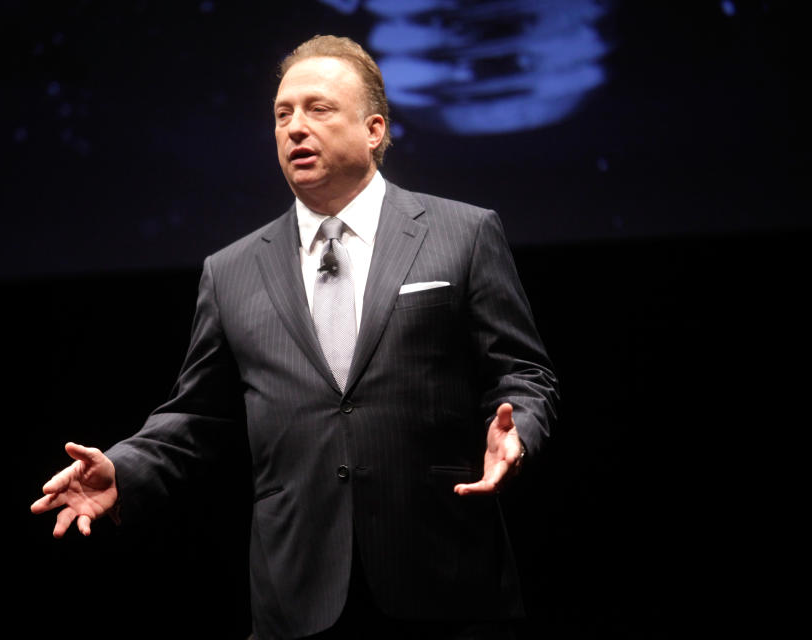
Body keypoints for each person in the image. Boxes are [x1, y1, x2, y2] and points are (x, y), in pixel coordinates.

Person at [31, 35, 558, 640]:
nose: (295, 128)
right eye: (283, 114)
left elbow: (526, 372)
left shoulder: (461, 234)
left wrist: (520, 429)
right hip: (297, 592)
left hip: (446, 576)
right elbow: (198, 415)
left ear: (374, 130)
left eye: (319, 109)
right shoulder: (230, 271)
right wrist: (125, 469)